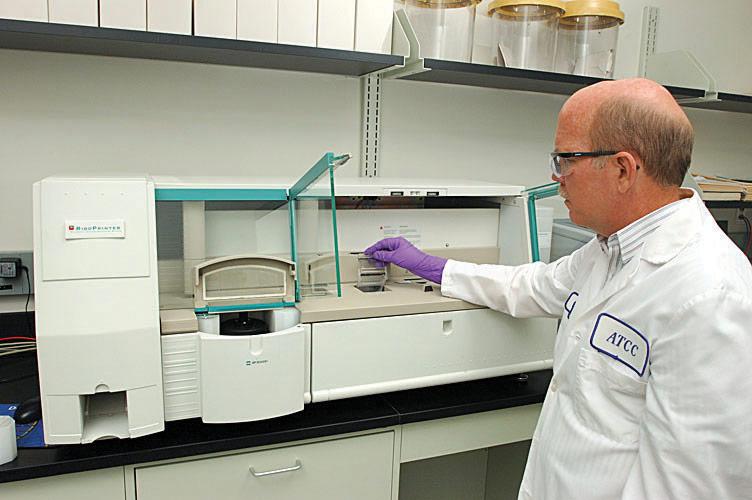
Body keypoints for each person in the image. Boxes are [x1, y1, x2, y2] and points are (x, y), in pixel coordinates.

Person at [365, 78, 752, 500]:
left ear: (622, 169)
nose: (556, 177)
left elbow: (690, 487)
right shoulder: (608, 248)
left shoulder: (711, 295)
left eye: (566, 159)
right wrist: (434, 267)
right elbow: (532, 285)